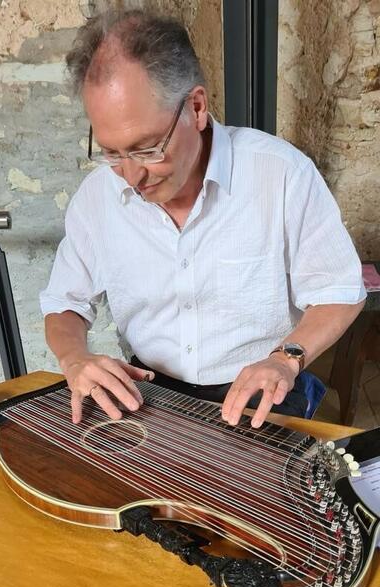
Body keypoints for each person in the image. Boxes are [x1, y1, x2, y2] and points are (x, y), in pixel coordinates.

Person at [40, 9, 366, 429]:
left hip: (259, 391)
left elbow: (339, 290)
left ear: (196, 107)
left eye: (146, 149)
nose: (131, 175)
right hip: (149, 393)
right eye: (111, 152)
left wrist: (287, 359)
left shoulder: (280, 173)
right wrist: (75, 357)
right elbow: (65, 301)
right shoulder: (98, 196)